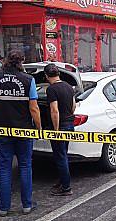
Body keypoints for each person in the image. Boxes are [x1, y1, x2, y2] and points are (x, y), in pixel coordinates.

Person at [0, 50, 41, 216]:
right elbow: (34, 108)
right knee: (25, 166)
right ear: (21, 62)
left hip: (2, 131)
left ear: (5, 61)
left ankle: (4, 208)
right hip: (24, 131)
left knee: (5, 168)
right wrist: (38, 127)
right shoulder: (28, 80)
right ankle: (27, 205)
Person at [44, 64, 75, 196]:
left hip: (59, 126)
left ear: (46, 76)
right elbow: (73, 106)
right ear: (59, 74)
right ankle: (63, 180)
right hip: (69, 124)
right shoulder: (69, 87)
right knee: (64, 155)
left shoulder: (51, 89)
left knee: (60, 157)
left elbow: (54, 110)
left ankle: (66, 187)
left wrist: (56, 130)